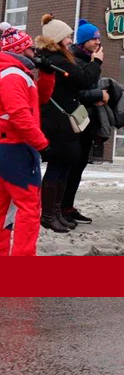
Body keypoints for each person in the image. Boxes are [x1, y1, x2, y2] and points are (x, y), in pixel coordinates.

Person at [34, 15, 103, 233]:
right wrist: (97, 62)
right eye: (68, 36)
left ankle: (56, 211)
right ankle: (48, 214)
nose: (70, 40)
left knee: (64, 165)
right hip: (58, 120)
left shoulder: (58, 57)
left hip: (64, 118)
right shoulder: (57, 59)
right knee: (58, 165)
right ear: (58, 39)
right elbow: (83, 79)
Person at [0, 24, 54, 255]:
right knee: (29, 208)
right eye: (32, 48)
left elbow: (39, 99)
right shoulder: (13, 75)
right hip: (15, 148)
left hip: (8, 147)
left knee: (3, 208)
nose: (36, 53)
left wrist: (47, 74)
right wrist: (42, 144)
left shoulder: (16, 73)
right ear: (21, 50)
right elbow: (20, 114)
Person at [59, 19, 107, 225]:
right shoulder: (76, 61)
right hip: (75, 121)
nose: (97, 41)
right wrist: (98, 94)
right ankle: (60, 208)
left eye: (98, 38)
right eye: (94, 38)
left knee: (78, 167)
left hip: (86, 121)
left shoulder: (89, 59)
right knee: (69, 168)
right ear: (84, 41)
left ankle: (67, 206)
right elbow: (77, 90)